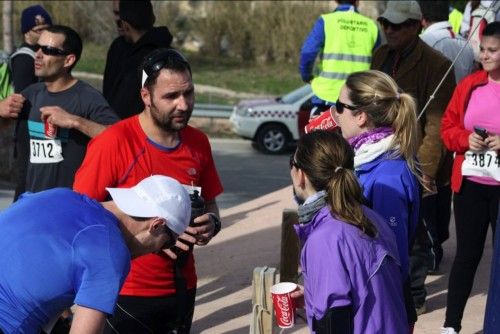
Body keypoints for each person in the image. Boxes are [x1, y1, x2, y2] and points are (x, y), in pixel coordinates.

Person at [73, 48, 223, 333]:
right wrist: (146, 239)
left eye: (188, 93)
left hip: (183, 288)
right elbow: (79, 217)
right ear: (146, 96)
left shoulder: (198, 142)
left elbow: (212, 204)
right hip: (124, 292)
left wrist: (212, 223)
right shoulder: (114, 142)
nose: (183, 104)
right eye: (170, 97)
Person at [0, 175, 191, 334]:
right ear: (156, 225)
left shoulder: (57, 194)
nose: (159, 251)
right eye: (169, 242)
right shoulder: (110, 252)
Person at [370, 0, 456, 316]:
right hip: (375, 155)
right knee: (375, 224)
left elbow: (437, 125)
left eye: (397, 25)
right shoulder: (380, 56)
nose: (389, 30)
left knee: (415, 233)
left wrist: (426, 171)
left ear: (416, 25)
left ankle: (415, 296)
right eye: (386, 24)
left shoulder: (438, 65)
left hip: (413, 160)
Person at [289, 130, 408, 333]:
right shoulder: (371, 216)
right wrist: (312, 298)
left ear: (300, 175)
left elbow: (334, 322)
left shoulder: (325, 238)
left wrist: (319, 304)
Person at [332, 69, 421, 330]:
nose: (335, 114)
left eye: (340, 106)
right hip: (368, 296)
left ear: (360, 116)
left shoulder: (387, 177)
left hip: (381, 306)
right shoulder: (364, 159)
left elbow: (390, 259)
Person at [0, 25, 119, 194]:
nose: (38, 55)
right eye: (37, 48)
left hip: (68, 206)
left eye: (47, 50)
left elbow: (120, 140)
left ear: (68, 60)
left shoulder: (88, 98)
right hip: (32, 200)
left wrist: (75, 122)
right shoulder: (31, 94)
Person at [440, 21, 500, 334]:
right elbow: (447, 130)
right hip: (470, 185)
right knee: (467, 255)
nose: (484, 56)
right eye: (483, 49)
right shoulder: (469, 85)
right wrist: (466, 139)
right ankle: (451, 325)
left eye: (493, 50)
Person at [418, 0, 475, 274]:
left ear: (421, 18)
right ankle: (438, 242)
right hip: (457, 126)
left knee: (427, 186)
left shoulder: (426, 43)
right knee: (441, 186)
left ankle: (431, 251)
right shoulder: (462, 42)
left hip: (434, 125)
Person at [299, 0, 380, 118]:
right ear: (357, 2)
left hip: (326, 98)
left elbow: (308, 52)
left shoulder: (326, 21)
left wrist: (306, 76)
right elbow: (380, 62)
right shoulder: (371, 26)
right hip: (358, 101)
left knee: (321, 136)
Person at [9, 4, 52, 202]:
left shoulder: (40, 53)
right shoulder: (25, 59)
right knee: (27, 181)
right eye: (39, 29)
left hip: (39, 126)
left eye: (47, 27)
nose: (44, 31)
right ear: (27, 32)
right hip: (29, 128)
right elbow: (25, 98)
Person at [103, 0, 173, 119]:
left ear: (125, 24)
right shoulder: (119, 47)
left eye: (119, 15)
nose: (117, 20)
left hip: (135, 130)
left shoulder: (154, 56)